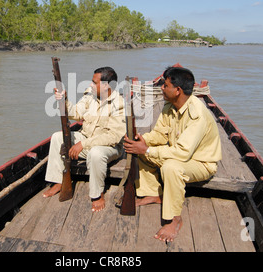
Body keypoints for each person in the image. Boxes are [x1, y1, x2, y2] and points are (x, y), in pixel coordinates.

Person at [123, 66, 222, 242]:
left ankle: (174, 219)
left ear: (177, 90)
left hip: (200, 163)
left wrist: (146, 149)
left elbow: (182, 153)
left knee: (170, 166)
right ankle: (154, 193)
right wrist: (143, 140)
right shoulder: (170, 105)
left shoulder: (197, 114)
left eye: (165, 85)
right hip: (181, 156)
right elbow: (161, 133)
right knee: (142, 151)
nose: (161, 88)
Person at [44, 67, 126, 212]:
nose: (90, 85)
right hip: (87, 138)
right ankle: (58, 181)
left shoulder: (119, 104)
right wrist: (64, 100)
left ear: (106, 85)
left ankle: (97, 194)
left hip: (108, 147)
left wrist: (83, 144)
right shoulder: (90, 96)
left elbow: (113, 137)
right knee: (57, 137)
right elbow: (74, 113)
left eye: (94, 83)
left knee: (96, 153)